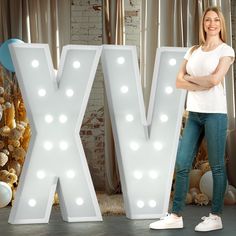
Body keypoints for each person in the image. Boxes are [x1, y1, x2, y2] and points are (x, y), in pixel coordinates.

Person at [149, 6, 235, 232]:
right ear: (203, 23)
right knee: (182, 163)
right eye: (208, 20)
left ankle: (215, 216)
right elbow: (178, 82)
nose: (212, 24)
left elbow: (215, 80)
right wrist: (200, 81)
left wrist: (191, 78)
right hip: (194, 113)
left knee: (217, 167)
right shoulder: (193, 50)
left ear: (221, 24)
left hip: (215, 113)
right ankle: (176, 215)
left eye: (216, 20)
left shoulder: (226, 50)